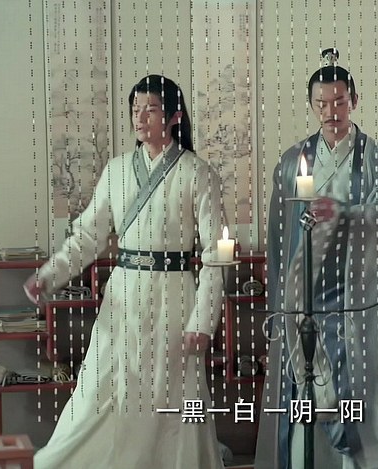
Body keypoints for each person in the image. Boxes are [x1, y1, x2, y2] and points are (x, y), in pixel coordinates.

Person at [24, 75, 227, 469]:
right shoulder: (116, 171)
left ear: (174, 117)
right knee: (98, 388)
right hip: (124, 292)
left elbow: (216, 254)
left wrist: (203, 319)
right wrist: (49, 275)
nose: (140, 118)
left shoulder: (197, 173)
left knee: (170, 392)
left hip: (174, 294)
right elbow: (88, 236)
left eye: (151, 109)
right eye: (136, 109)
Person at [255, 49, 378, 469]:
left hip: (358, 295)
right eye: (322, 104)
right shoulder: (292, 162)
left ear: (354, 101)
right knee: (307, 388)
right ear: (312, 106)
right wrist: (279, 302)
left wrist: (342, 214)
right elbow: (279, 235)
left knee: (360, 388)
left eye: (339, 102)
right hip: (305, 295)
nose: (331, 112)